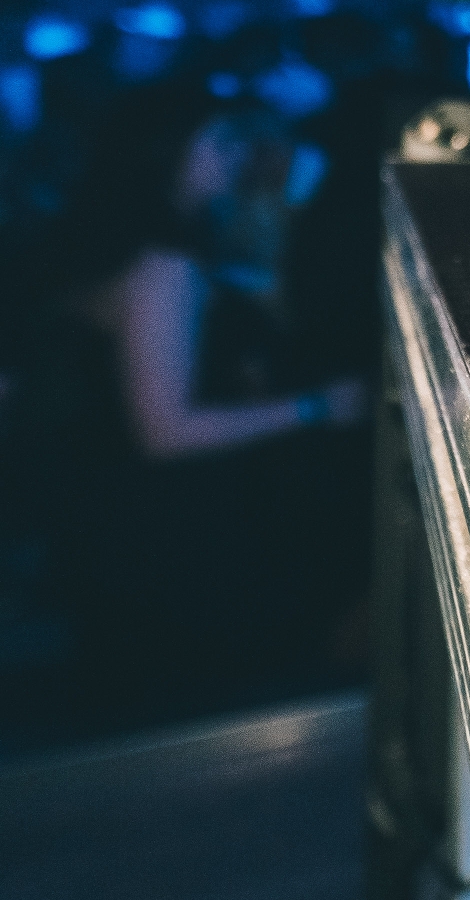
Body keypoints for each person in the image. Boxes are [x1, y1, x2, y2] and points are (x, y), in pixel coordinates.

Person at [35, 77, 371, 726]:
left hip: (115, 513)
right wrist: (318, 407)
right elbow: (166, 429)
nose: (237, 155)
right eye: (218, 141)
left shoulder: (135, 242)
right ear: (167, 151)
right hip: (161, 523)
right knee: (196, 690)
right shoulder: (164, 266)